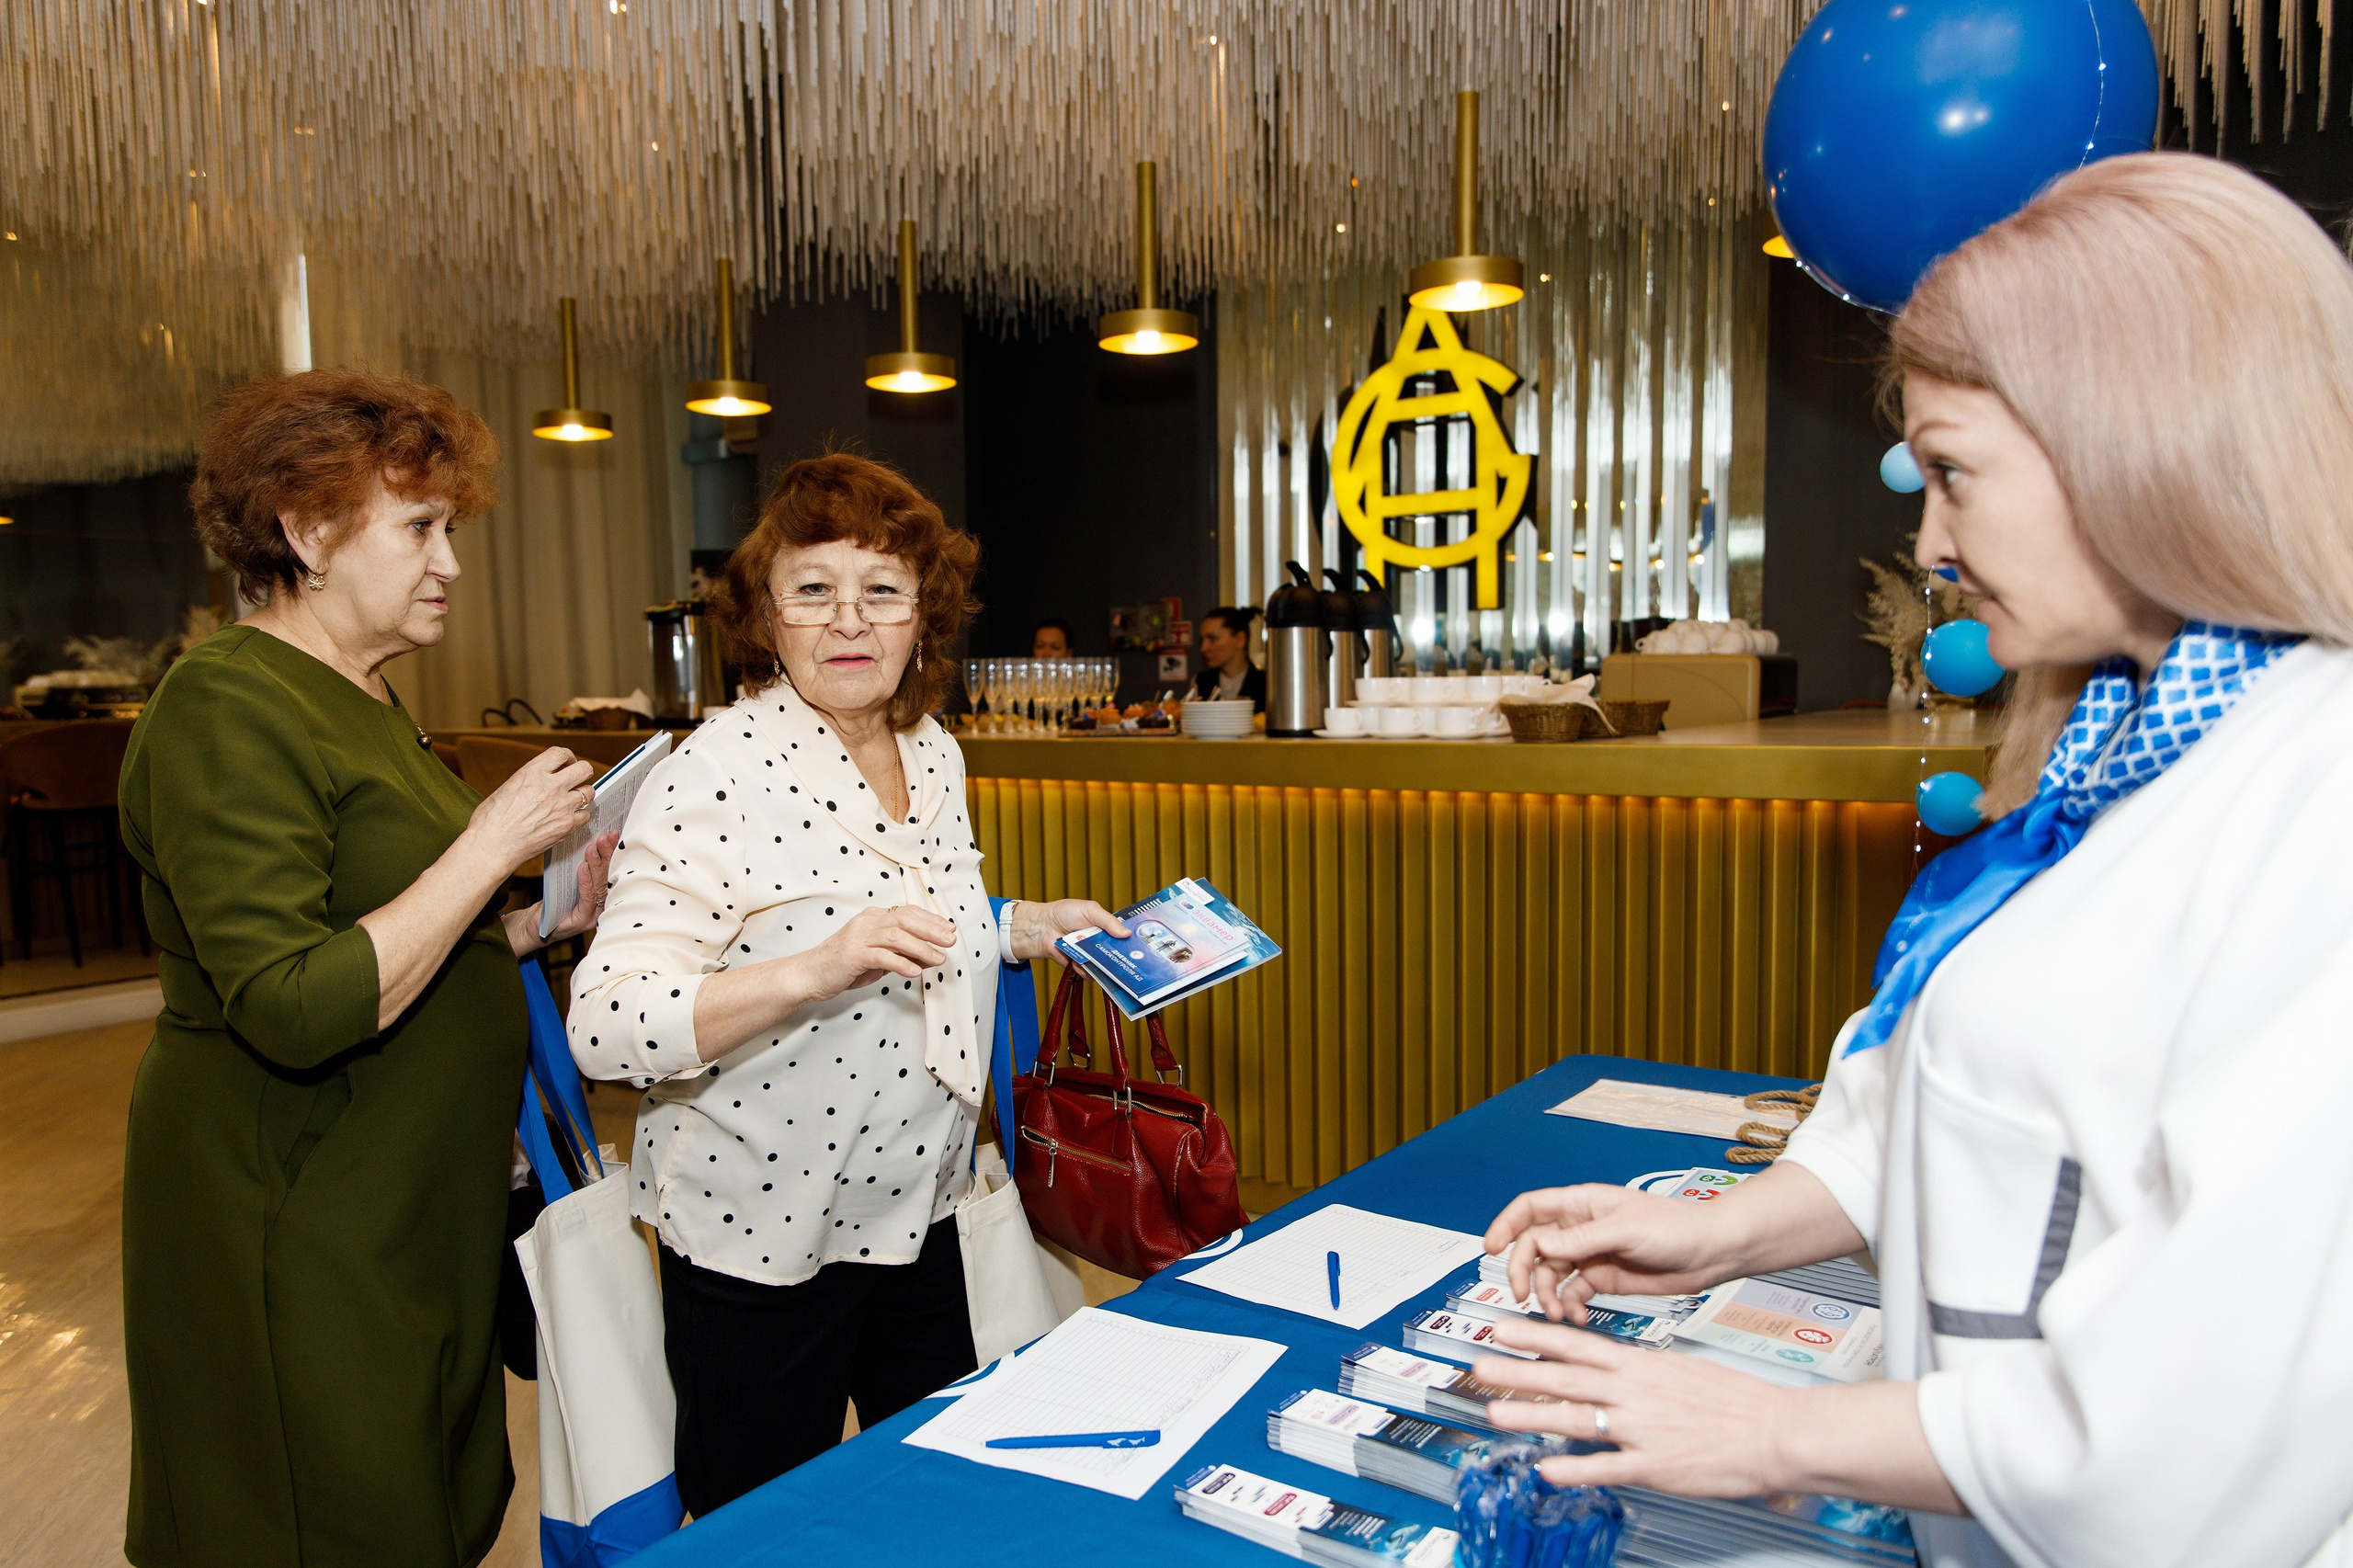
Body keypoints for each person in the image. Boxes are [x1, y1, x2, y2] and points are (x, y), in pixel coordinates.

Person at [1476, 153, 2353, 1568]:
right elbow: (1978, 1116)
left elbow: (2189, 1434)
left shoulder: (2322, 808)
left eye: (1953, 474)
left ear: (2142, 448)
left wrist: (1773, 1433)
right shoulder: (2117, 739)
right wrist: (1727, 1231)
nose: (1933, 542)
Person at [117, 368, 617, 1568]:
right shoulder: (226, 704)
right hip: (297, 1211)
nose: (451, 562)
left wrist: (525, 928)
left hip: (403, 1203)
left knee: (418, 1503)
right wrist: (491, 842)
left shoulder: (363, 693)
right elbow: (293, 1001)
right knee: (322, 1518)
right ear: (308, 532)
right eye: (421, 527)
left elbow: (380, 922)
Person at [568, 451, 1128, 1515]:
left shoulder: (932, 748)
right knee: (766, 1526)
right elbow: (605, 1022)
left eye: (881, 588)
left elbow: (911, 914)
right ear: (765, 614)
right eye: (813, 589)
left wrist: (1021, 926)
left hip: (924, 1205)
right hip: (760, 1232)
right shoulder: (712, 772)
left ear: (925, 612)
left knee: (933, 1503)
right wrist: (811, 970)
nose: (848, 620)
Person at [1192, 605, 1265, 710]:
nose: (1204, 648)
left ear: (1239, 639)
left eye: (1212, 639)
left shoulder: (1265, 685)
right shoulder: (1201, 682)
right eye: (1202, 640)